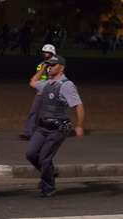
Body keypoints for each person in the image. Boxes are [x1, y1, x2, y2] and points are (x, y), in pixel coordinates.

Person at [26, 55, 84, 197]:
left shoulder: (66, 86)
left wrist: (79, 125)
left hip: (58, 129)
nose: (49, 67)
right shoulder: (47, 84)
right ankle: (50, 173)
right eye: (48, 65)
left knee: (44, 158)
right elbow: (33, 82)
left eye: (53, 65)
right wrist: (43, 69)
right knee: (31, 154)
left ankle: (49, 187)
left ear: (61, 67)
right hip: (43, 127)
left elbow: (79, 106)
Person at [20, 44, 56, 140]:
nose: (45, 54)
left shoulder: (57, 65)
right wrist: (43, 68)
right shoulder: (41, 65)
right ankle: (28, 132)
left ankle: (50, 133)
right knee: (34, 112)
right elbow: (37, 79)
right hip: (40, 92)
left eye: (48, 52)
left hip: (51, 93)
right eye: (44, 52)